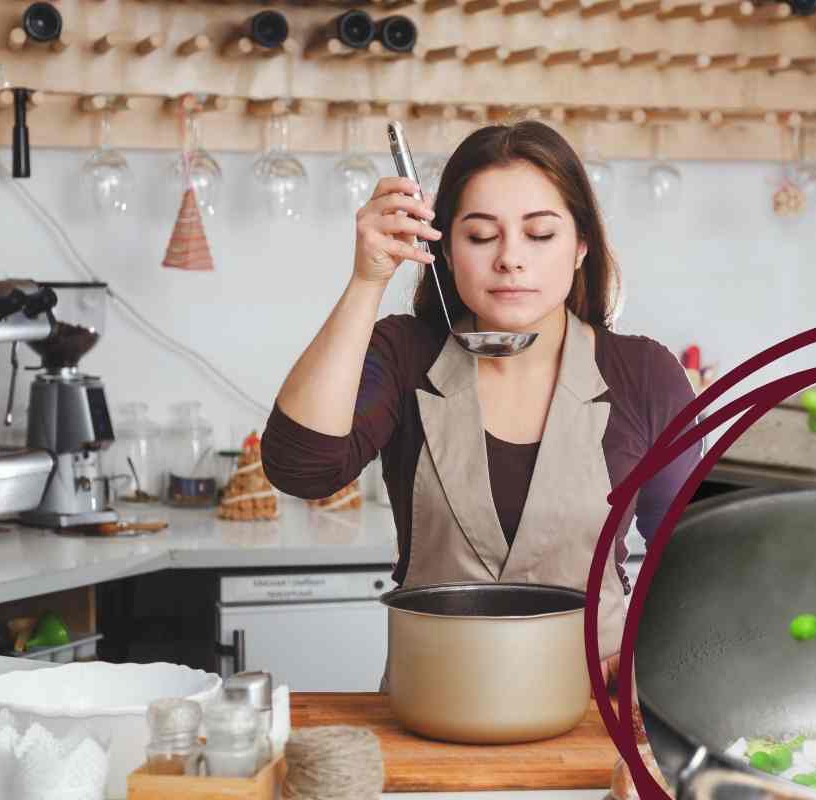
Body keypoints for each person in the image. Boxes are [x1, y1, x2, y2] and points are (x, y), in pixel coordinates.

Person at [261, 119, 702, 689]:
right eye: (479, 235)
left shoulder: (643, 373)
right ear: (442, 250)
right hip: (434, 701)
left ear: (580, 247)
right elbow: (302, 469)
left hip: (596, 704)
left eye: (540, 234)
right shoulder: (405, 355)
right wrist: (366, 281)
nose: (510, 259)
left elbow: (692, 551)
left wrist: (652, 648)